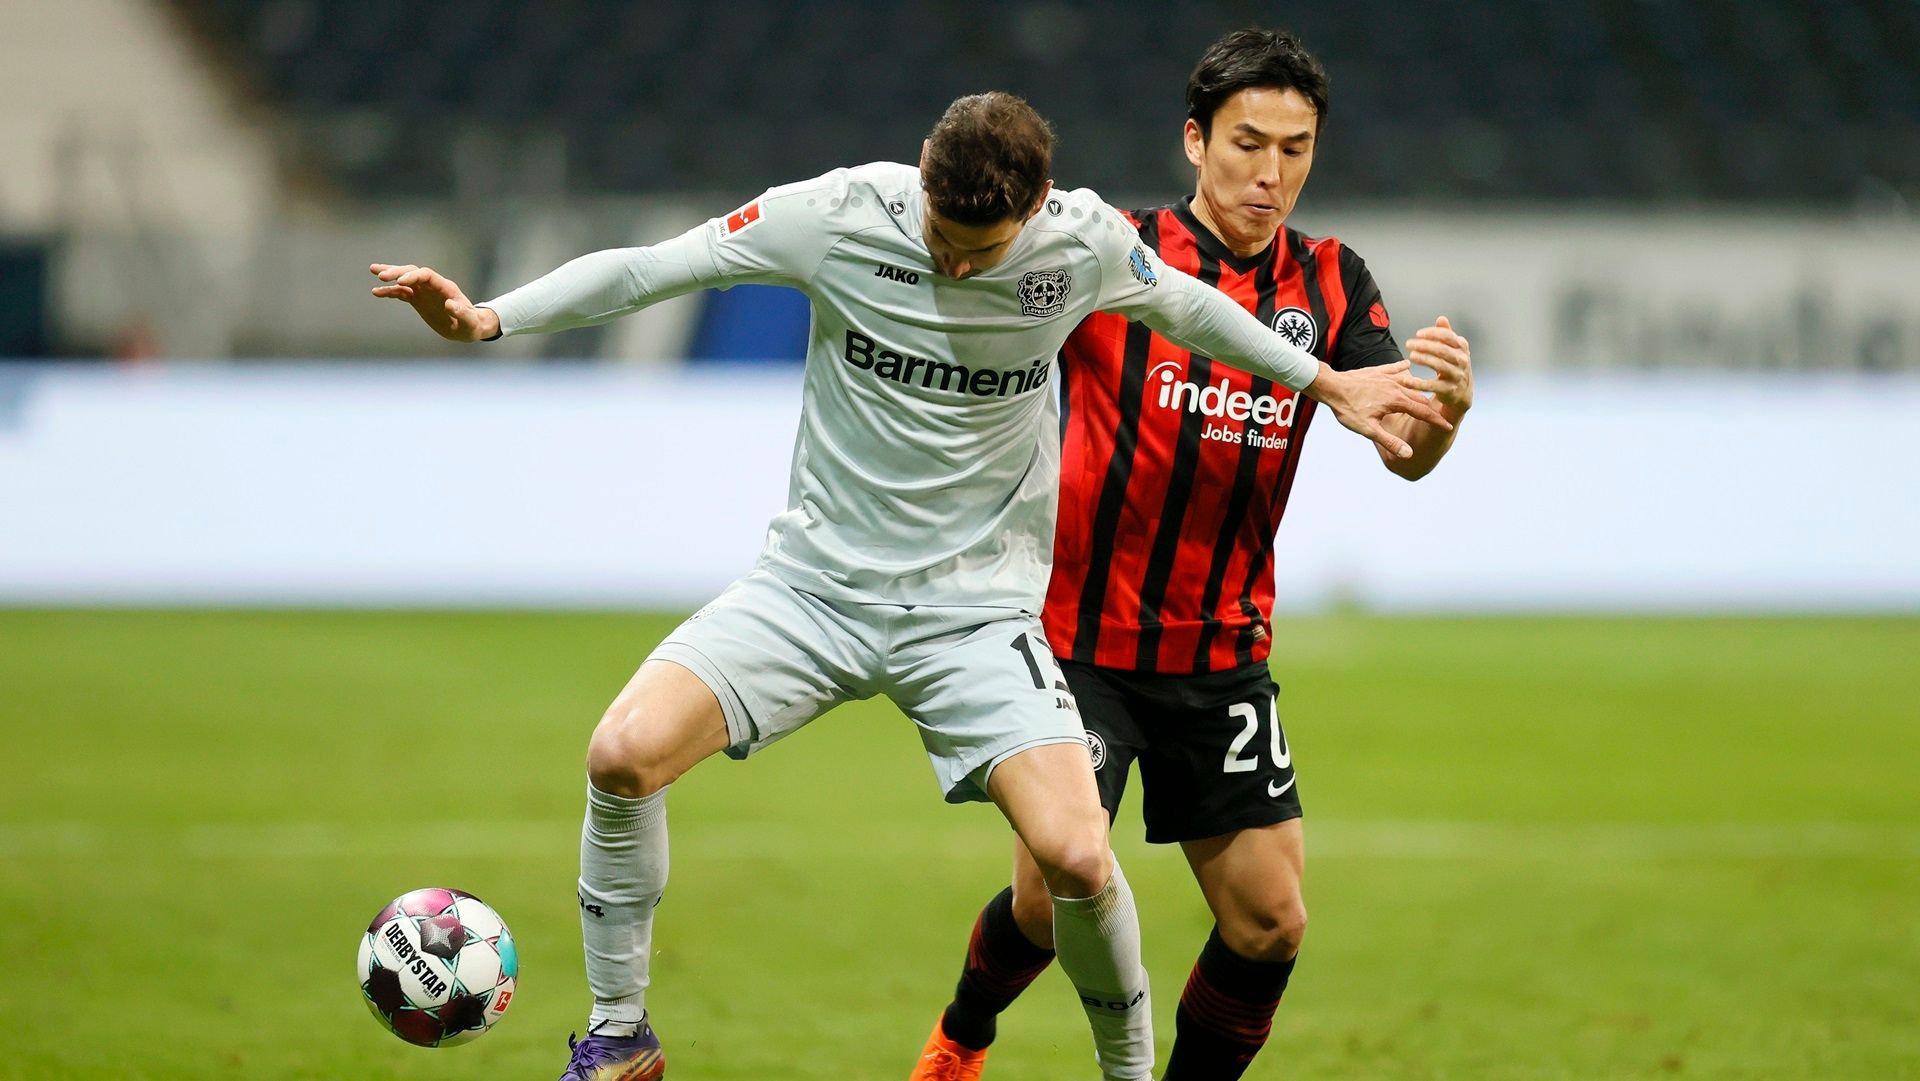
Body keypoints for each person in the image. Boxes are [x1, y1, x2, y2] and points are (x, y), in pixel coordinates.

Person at [370, 91, 1446, 1081]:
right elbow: (657, 267)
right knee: (621, 754)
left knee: (1075, 857)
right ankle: (619, 1038)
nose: (959, 264)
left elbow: (1198, 314)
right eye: (941, 238)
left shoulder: (1082, 243)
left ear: (1030, 211)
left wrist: (1326, 380)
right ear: (923, 174)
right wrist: (487, 319)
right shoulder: (837, 212)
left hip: (977, 615)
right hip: (812, 590)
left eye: (981, 250)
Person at [911, 31, 1474, 1081]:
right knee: (1048, 897)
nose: (1270, 175)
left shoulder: (1334, 281)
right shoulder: (1111, 249)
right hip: (1077, 644)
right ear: (1194, 140)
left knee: (1270, 920)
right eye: (1247, 143)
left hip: (1220, 657)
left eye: (1295, 149)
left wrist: (1444, 417)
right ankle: (962, 1037)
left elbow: (1404, 451)